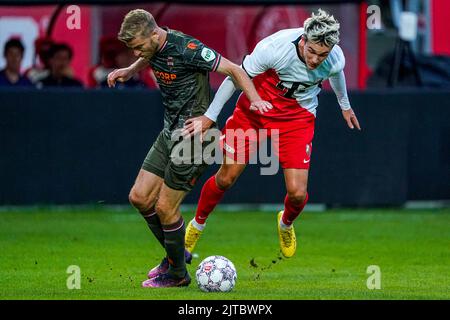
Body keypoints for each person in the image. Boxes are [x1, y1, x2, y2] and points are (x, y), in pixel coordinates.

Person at [106, 9, 271, 288]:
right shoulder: (153, 46)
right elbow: (148, 55)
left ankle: (177, 274)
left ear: (154, 34)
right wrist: (129, 70)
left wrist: (253, 99)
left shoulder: (188, 48)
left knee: (165, 208)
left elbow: (234, 69)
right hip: (170, 132)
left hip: (195, 140)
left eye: (137, 46)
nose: (135, 52)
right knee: (139, 197)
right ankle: (176, 257)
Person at [182, 9, 361, 258]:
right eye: (311, 51)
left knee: (298, 194)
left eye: (322, 54)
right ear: (302, 41)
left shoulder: (334, 58)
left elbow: (337, 73)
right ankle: (197, 225)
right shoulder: (274, 48)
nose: (315, 60)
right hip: (255, 111)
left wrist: (345, 105)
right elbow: (236, 76)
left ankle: (285, 224)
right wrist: (210, 116)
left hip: (296, 119)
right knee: (226, 178)